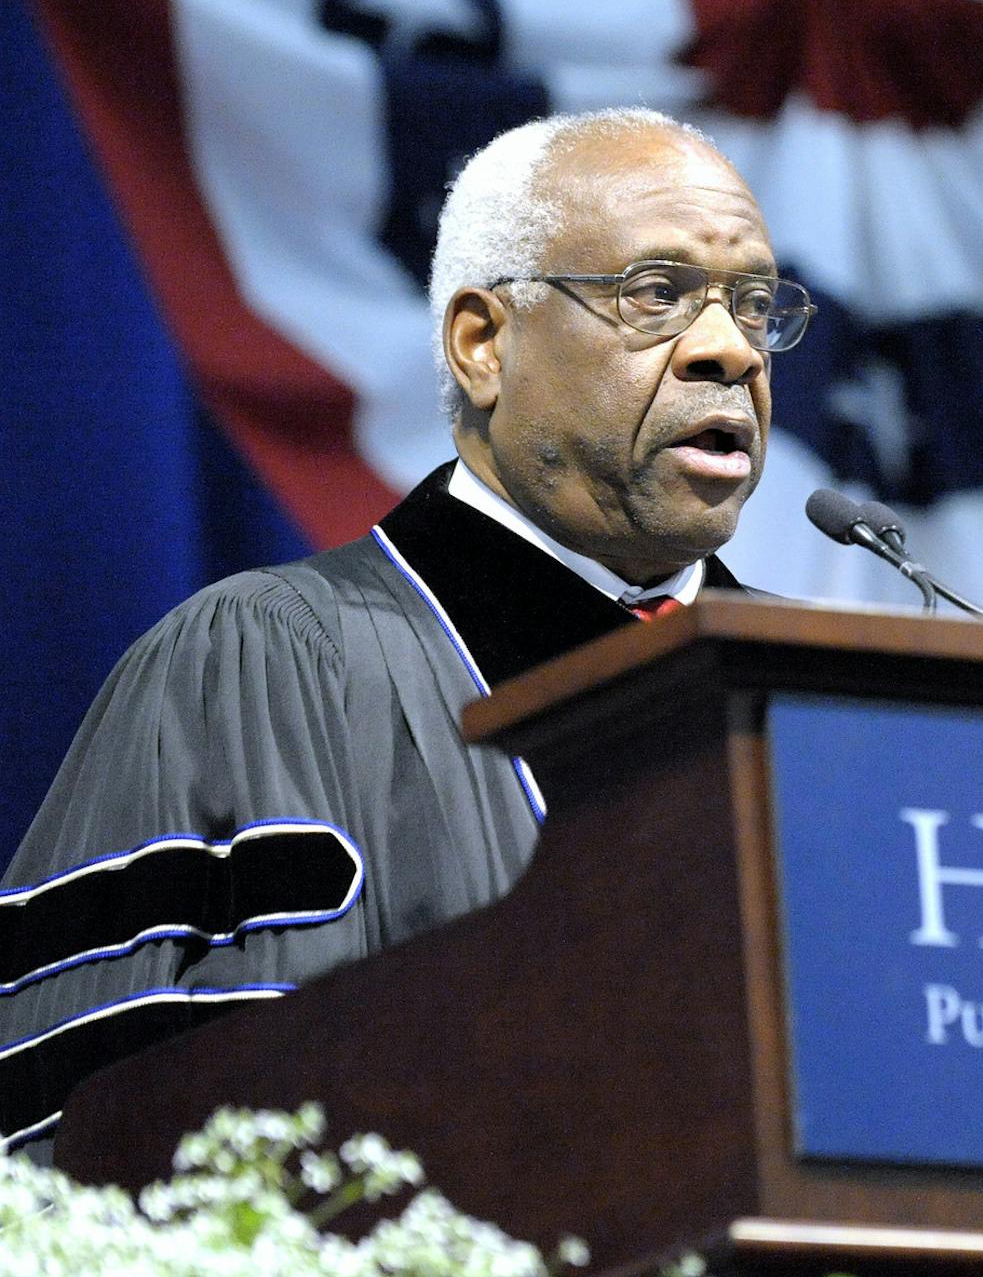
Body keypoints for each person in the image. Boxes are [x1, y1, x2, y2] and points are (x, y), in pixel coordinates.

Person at [0, 107, 811, 1154]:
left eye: (754, 306)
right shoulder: (270, 664)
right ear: (484, 343)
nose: (728, 351)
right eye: (657, 295)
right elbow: (116, 1148)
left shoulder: (831, 696)